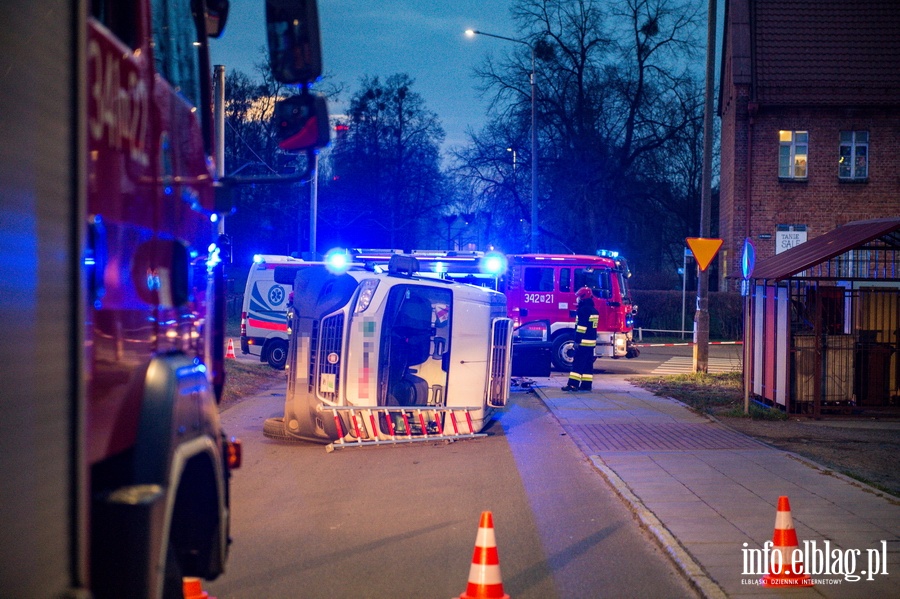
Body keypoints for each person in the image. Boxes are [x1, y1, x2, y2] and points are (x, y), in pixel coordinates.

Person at [562, 286, 599, 392]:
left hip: (583, 342)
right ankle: (586, 385)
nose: (577, 299)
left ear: (583, 297)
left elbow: (581, 328)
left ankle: (573, 385)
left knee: (577, 364)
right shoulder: (594, 310)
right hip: (591, 343)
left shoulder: (583, 310)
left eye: (578, 297)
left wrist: (576, 341)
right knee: (588, 365)